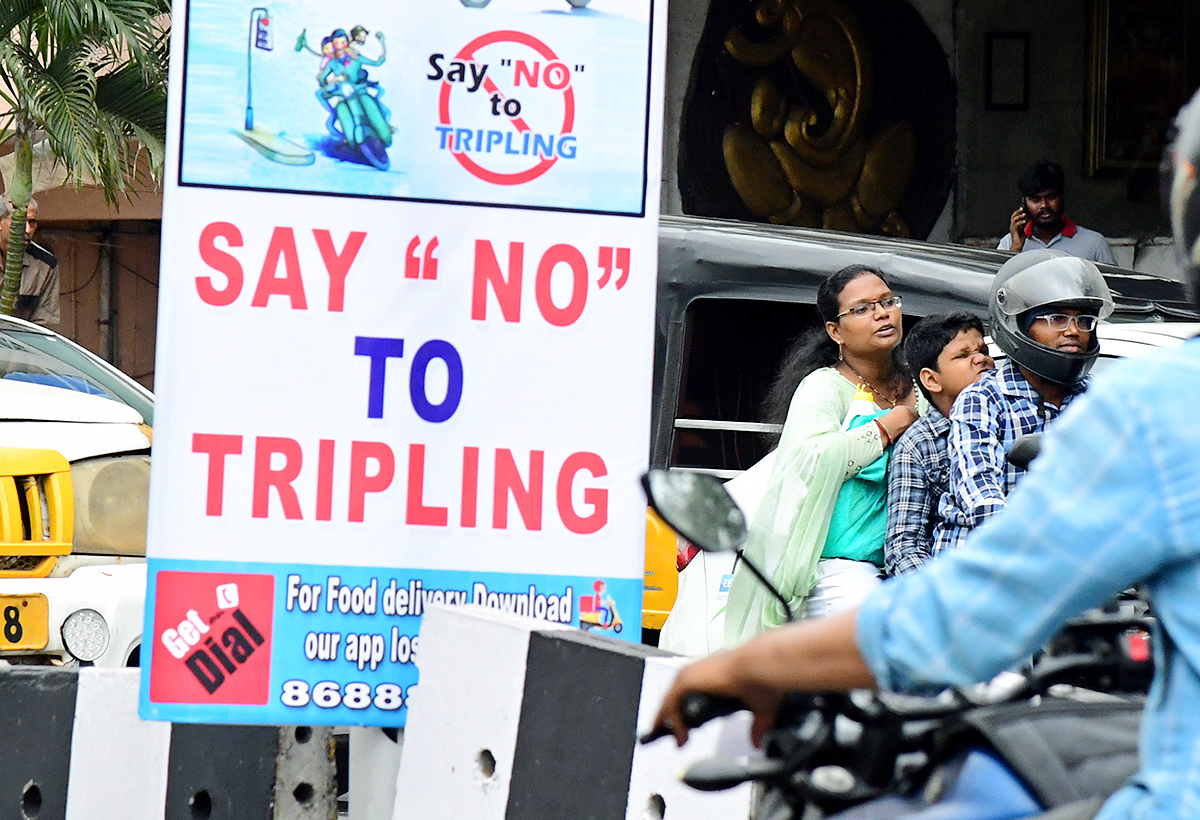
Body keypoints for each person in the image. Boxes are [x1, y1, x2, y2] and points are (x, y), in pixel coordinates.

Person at [650, 87, 1200, 820]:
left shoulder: (1154, 408)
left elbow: (970, 615)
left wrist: (751, 664)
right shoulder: (896, 399)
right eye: (865, 307)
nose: (1071, 333)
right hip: (845, 573)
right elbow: (912, 506)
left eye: (887, 304)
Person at [724, 265, 921, 646]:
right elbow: (811, 460)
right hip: (838, 569)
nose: (882, 313)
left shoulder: (922, 384)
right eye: (862, 309)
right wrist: (888, 425)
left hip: (911, 562)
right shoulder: (823, 388)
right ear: (836, 331)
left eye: (887, 302)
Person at [936, 249, 1112, 550]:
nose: (1073, 331)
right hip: (988, 565)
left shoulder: (1097, 400)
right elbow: (980, 494)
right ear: (1019, 324)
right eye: (1056, 319)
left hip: (1076, 567)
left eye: (1084, 321)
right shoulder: (983, 400)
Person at [884, 313, 993, 576]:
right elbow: (904, 545)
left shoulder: (1012, 416)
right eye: (963, 355)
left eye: (982, 350)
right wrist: (936, 598)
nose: (982, 360)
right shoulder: (920, 444)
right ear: (932, 380)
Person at [998, 160, 1117, 264]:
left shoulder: (1094, 243)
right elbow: (996, 286)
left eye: (1051, 197)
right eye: (1036, 200)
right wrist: (1015, 250)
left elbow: (1112, 287)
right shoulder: (1009, 242)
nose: (1044, 205)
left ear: (1062, 197)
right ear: (1024, 204)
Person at [0, 198, 59, 326]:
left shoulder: (45, 264)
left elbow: (44, 323)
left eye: (32, 222)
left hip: (17, 342)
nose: (27, 230)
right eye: (20, 221)